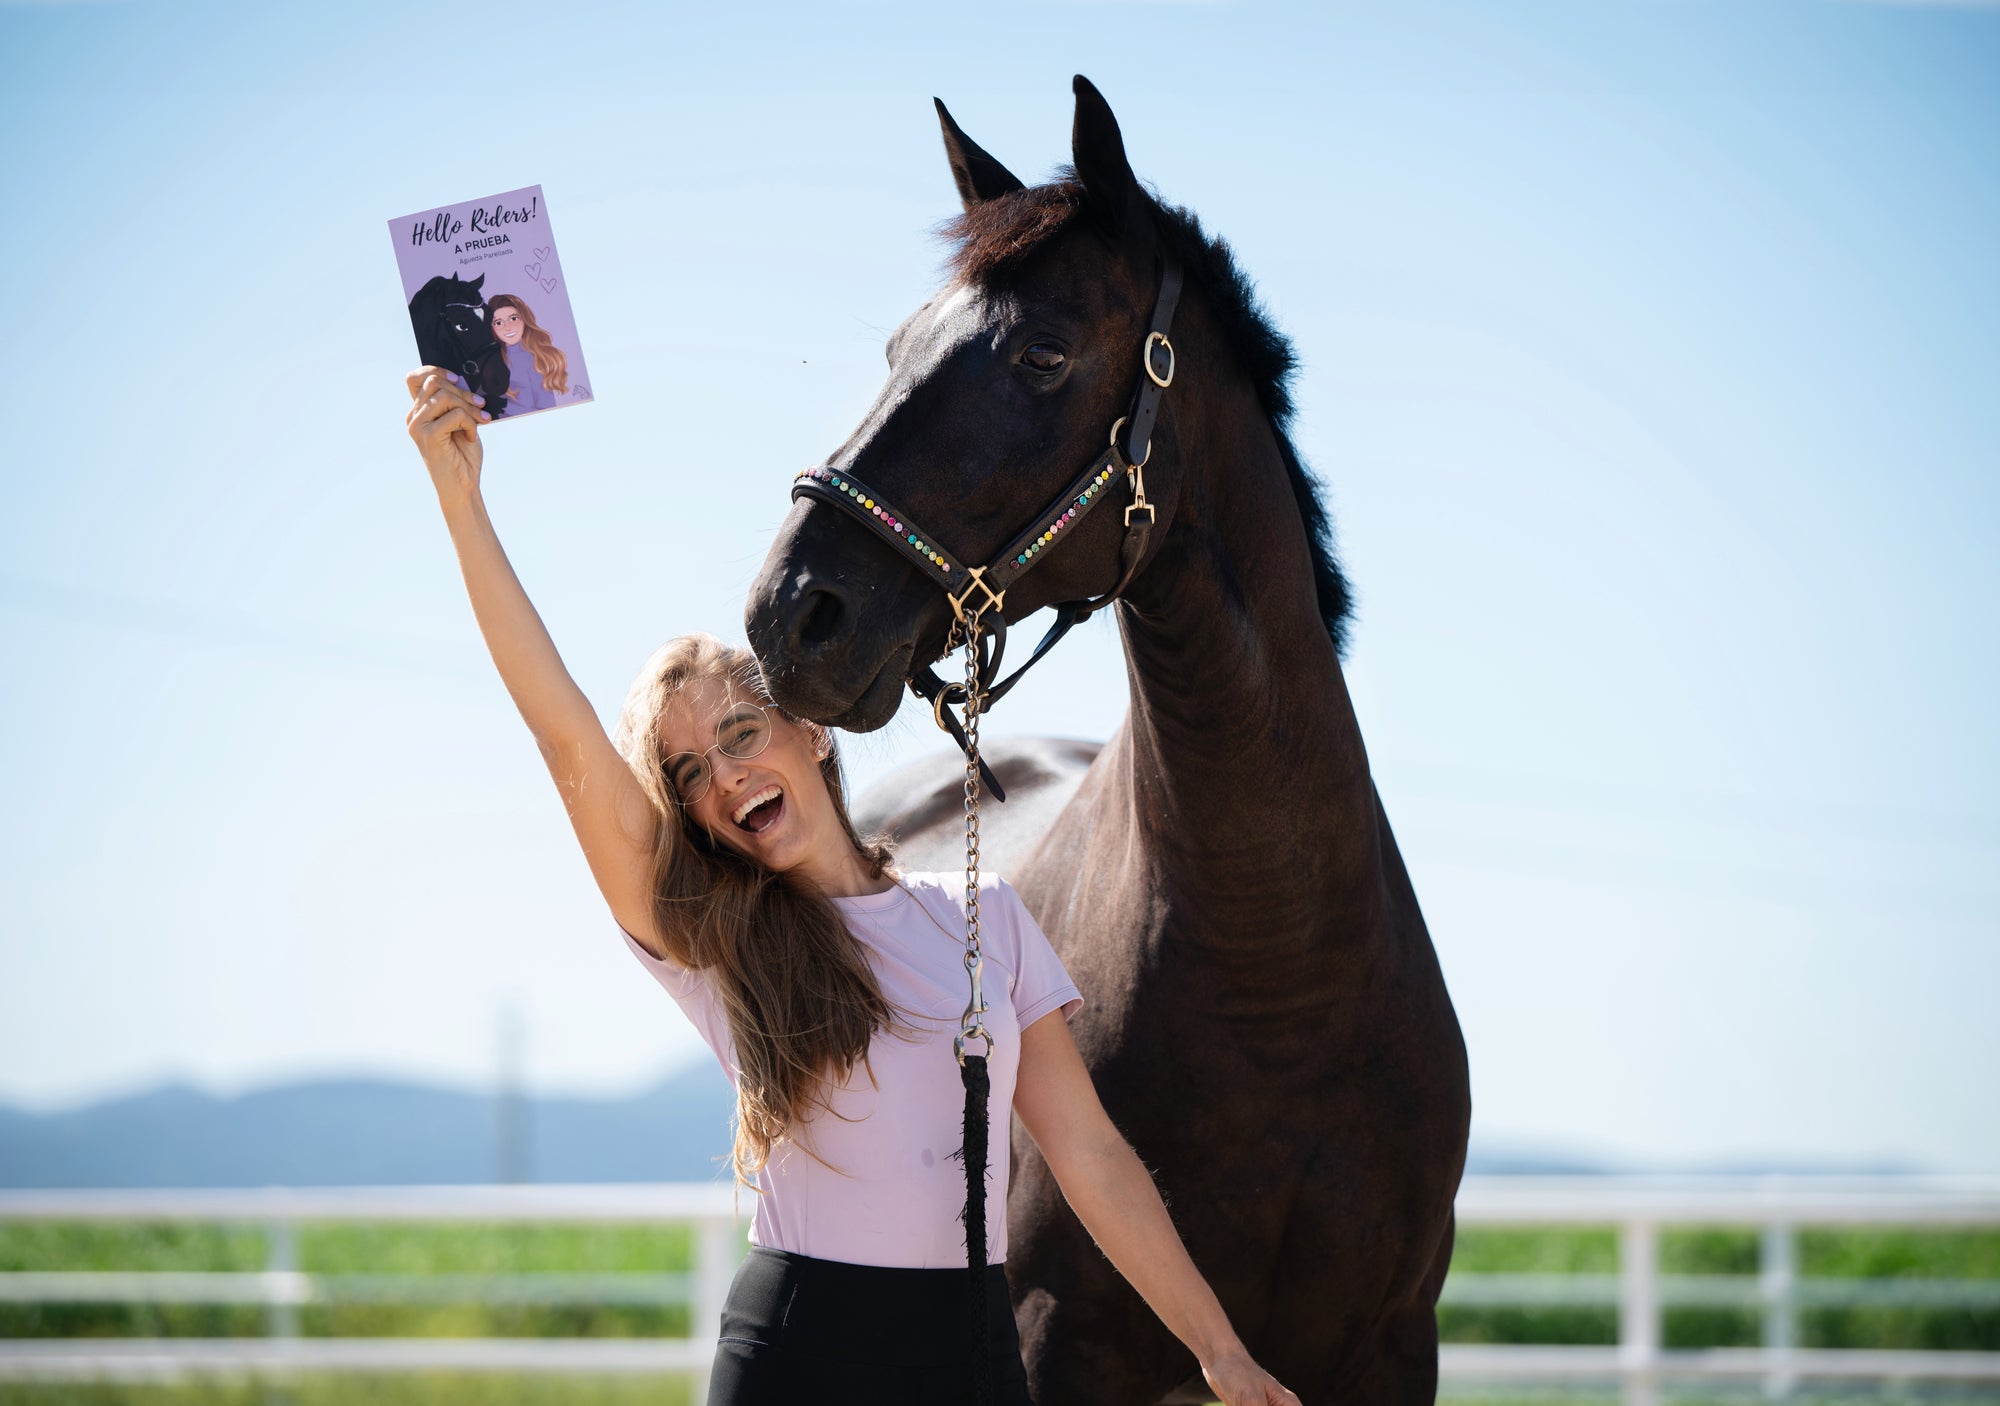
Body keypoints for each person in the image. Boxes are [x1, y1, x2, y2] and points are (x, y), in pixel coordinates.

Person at [403, 366, 1301, 1406]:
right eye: (691, 770)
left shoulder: (984, 916)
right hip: (799, 1352)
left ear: (809, 728)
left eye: (740, 732)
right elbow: (562, 730)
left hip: (970, 1346)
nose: (727, 772)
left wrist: (1218, 1349)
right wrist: (461, 503)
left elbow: (1090, 1152)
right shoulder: (719, 939)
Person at [486, 293, 569, 414]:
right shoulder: (490, 358)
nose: (507, 327)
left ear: (524, 319)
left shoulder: (533, 358)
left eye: (513, 318)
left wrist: (501, 406)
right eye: (498, 322)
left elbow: (547, 409)